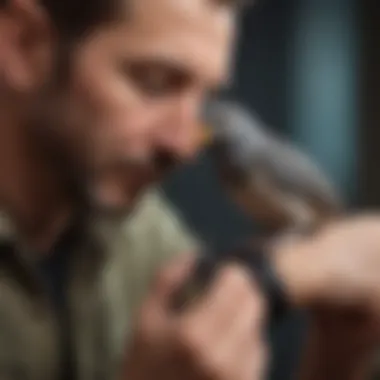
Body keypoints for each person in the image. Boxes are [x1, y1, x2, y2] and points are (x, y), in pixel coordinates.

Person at [1, 0, 380, 380]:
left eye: (204, 98)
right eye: (154, 82)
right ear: (23, 44)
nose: (185, 145)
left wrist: (338, 353)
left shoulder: (145, 243)